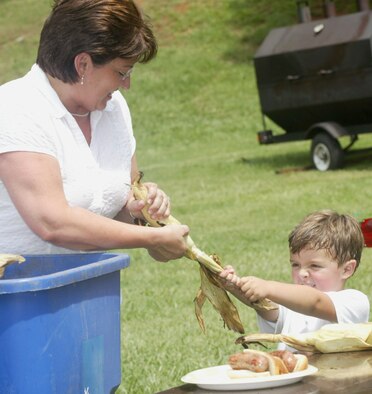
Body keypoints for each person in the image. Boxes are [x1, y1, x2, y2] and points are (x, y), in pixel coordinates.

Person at [0, 0, 189, 262]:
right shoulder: (15, 107)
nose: (127, 84)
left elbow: (120, 207)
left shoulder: (114, 108)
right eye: (122, 72)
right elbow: (52, 223)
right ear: (83, 65)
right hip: (17, 293)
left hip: (87, 287)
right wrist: (152, 238)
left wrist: (140, 209)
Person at [220, 210, 370, 350]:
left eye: (315, 266)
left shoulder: (354, 302)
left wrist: (268, 287)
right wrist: (235, 286)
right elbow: (263, 305)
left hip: (337, 377)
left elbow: (315, 302)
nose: (302, 273)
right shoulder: (292, 306)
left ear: (346, 269)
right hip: (294, 377)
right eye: (296, 265)